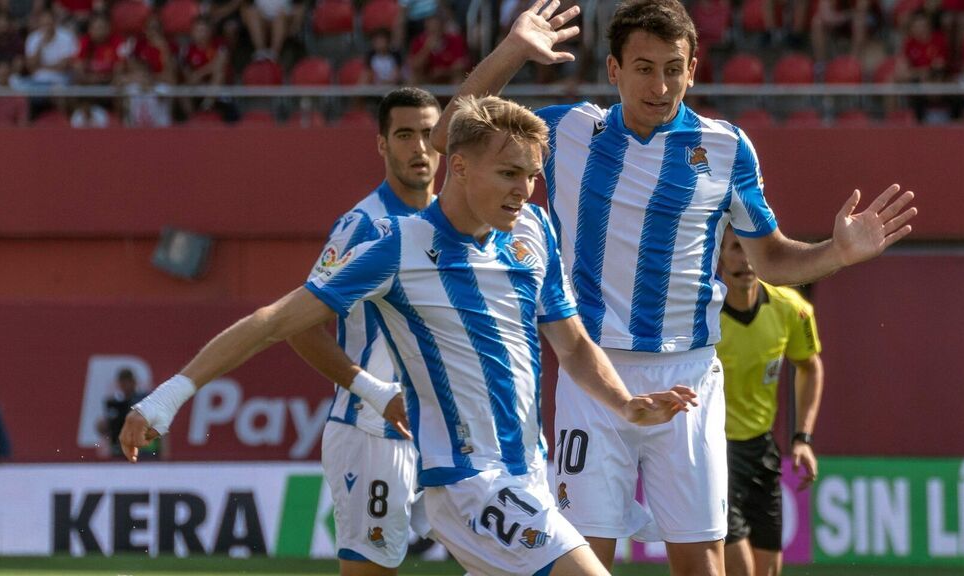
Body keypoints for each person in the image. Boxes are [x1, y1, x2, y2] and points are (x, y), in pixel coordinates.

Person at [429, 1, 916, 574]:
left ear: (693, 68)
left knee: (700, 561)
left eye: (672, 68)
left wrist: (837, 252)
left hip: (688, 378)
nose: (659, 85)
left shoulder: (727, 148)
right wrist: (512, 50)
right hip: (594, 377)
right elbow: (447, 136)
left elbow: (770, 258)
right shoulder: (565, 131)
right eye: (643, 68)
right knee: (582, 558)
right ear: (613, 70)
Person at [120, 95, 698, 576]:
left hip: (528, 473)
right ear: (461, 167)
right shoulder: (397, 246)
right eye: (508, 173)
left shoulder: (533, 232)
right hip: (468, 482)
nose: (524, 189)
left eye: (531, 175)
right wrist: (166, 398)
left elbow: (570, 342)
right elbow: (275, 322)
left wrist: (626, 403)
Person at [284, 86, 442, 576]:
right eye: (405, 135)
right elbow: (298, 327)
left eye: (430, 134)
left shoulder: (457, 221)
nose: (420, 147)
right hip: (374, 431)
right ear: (381, 144)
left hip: (443, 432)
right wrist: (376, 393)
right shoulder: (363, 226)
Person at [717, 228, 824, 576]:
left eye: (750, 249)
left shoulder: (791, 309)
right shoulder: (699, 314)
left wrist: (802, 438)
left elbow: (809, 367)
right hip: (715, 452)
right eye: (735, 248)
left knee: (768, 571)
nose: (745, 258)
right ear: (718, 255)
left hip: (762, 450)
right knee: (741, 570)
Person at [98, 368, 162, 459]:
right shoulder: (116, 404)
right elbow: (105, 427)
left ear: (134, 382)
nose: (126, 385)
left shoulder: (145, 400)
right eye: (123, 382)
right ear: (119, 384)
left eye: (128, 382)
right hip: (122, 449)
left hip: (145, 450)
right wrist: (104, 424)